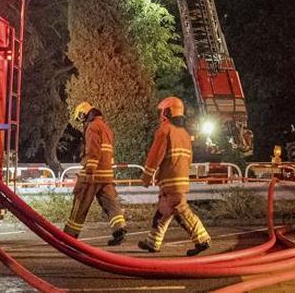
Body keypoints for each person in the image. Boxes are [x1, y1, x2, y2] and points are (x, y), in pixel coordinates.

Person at [138, 96, 210, 256]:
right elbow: (189, 158)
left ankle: (202, 239)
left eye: (162, 111)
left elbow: (155, 155)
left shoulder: (165, 130)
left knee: (181, 211)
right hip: (181, 179)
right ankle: (152, 242)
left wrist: (147, 177)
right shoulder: (184, 134)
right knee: (163, 212)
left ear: (166, 112)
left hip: (170, 181)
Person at [64, 101, 127, 245]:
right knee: (110, 202)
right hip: (106, 174)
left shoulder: (92, 127)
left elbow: (93, 150)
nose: (81, 122)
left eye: (80, 118)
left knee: (80, 203)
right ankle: (119, 228)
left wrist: (90, 170)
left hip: (93, 174)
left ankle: (69, 236)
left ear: (83, 114)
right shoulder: (106, 128)